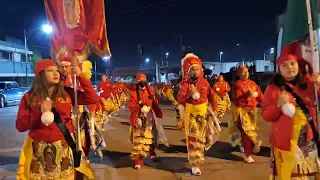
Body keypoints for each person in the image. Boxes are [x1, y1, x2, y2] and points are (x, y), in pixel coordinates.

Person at [16, 59, 97, 180]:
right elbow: (20, 126)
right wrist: (39, 111)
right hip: (38, 152)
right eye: (50, 70)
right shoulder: (29, 97)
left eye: (57, 71)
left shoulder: (67, 93)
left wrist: (80, 77)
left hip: (64, 147)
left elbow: (92, 99)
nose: (56, 73)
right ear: (40, 75)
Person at [262, 54, 320, 179]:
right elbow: (266, 116)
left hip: (309, 137)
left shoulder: (310, 83)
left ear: (298, 65)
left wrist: (319, 84)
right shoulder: (273, 89)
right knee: (293, 175)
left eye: (292, 63)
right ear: (279, 69)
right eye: (285, 65)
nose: (290, 67)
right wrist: (278, 105)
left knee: (310, 173)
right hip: (286, 140)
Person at [177, 53, 220, 176]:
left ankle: (198, 156)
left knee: (204, 138)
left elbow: (212, 96)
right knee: (193, 139)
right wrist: (189, 95)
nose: (195, 72)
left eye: (197, 69)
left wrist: (215, 109)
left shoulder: (205, 82)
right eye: (192, 70)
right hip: (191, 116)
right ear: (187, 72)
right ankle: (195, 165)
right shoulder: (185, 84)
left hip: (204, 114)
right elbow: (179, 99)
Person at [128, 73, 168, 170]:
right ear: (137, 82)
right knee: (139, 138)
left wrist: (153, 101)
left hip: (150, 116)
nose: (142, 81)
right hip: (139, 116)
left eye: (143, 79)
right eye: (139, 80)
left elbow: (156, 102)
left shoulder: (150, 90)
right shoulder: (133, 92)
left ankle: (152, 152)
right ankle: (139, 160)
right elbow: (130, 106)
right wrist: (139, 107)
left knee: (151, 136)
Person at [229, 65, 263, 163]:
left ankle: (243, 146)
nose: (246, 73)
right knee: (246, 133)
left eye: (247, 71)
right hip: (242, 111)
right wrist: (246, 95)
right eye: (243, 72)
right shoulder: (237, 85)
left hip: (252, 112)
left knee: (250, 132)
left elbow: (260, 96)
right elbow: (236, 99)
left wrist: (267, 104)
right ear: (239, 74)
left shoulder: (253, 83)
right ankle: (247, 154)